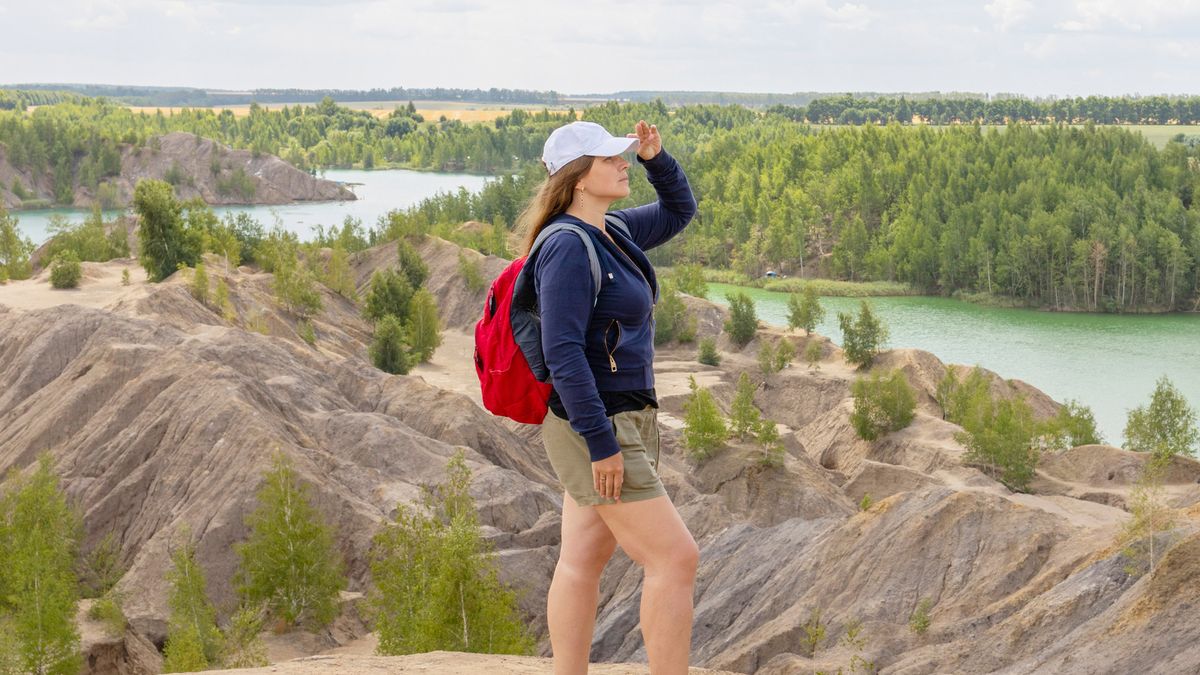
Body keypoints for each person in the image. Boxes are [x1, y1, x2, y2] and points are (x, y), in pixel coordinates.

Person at [517, 119, 699, 675]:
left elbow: (677, 211)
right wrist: (601, 443)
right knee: (674, 558)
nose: (623, 164)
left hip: (620, 418)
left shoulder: (610, 229)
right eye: (610, 158)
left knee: (581, 560)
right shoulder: (567, 248)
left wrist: (656, 158)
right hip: (598, 423)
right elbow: (564, 353)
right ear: (576, 176)